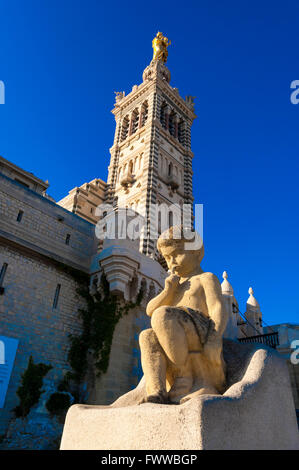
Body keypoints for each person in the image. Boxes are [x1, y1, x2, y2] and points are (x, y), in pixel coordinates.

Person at [139, 226, 229, 404]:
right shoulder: (174, 286)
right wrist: (167, 291)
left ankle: (186, 377)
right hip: (178, 334)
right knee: (146, 336)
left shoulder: (206, 278)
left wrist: (214, 337)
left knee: (162, 315)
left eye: (177, 254)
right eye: (167, 258)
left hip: (201, 331)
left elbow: (217, 307)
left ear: (196, 252)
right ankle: (157, 391)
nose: (172, 262)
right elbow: (149, 309)